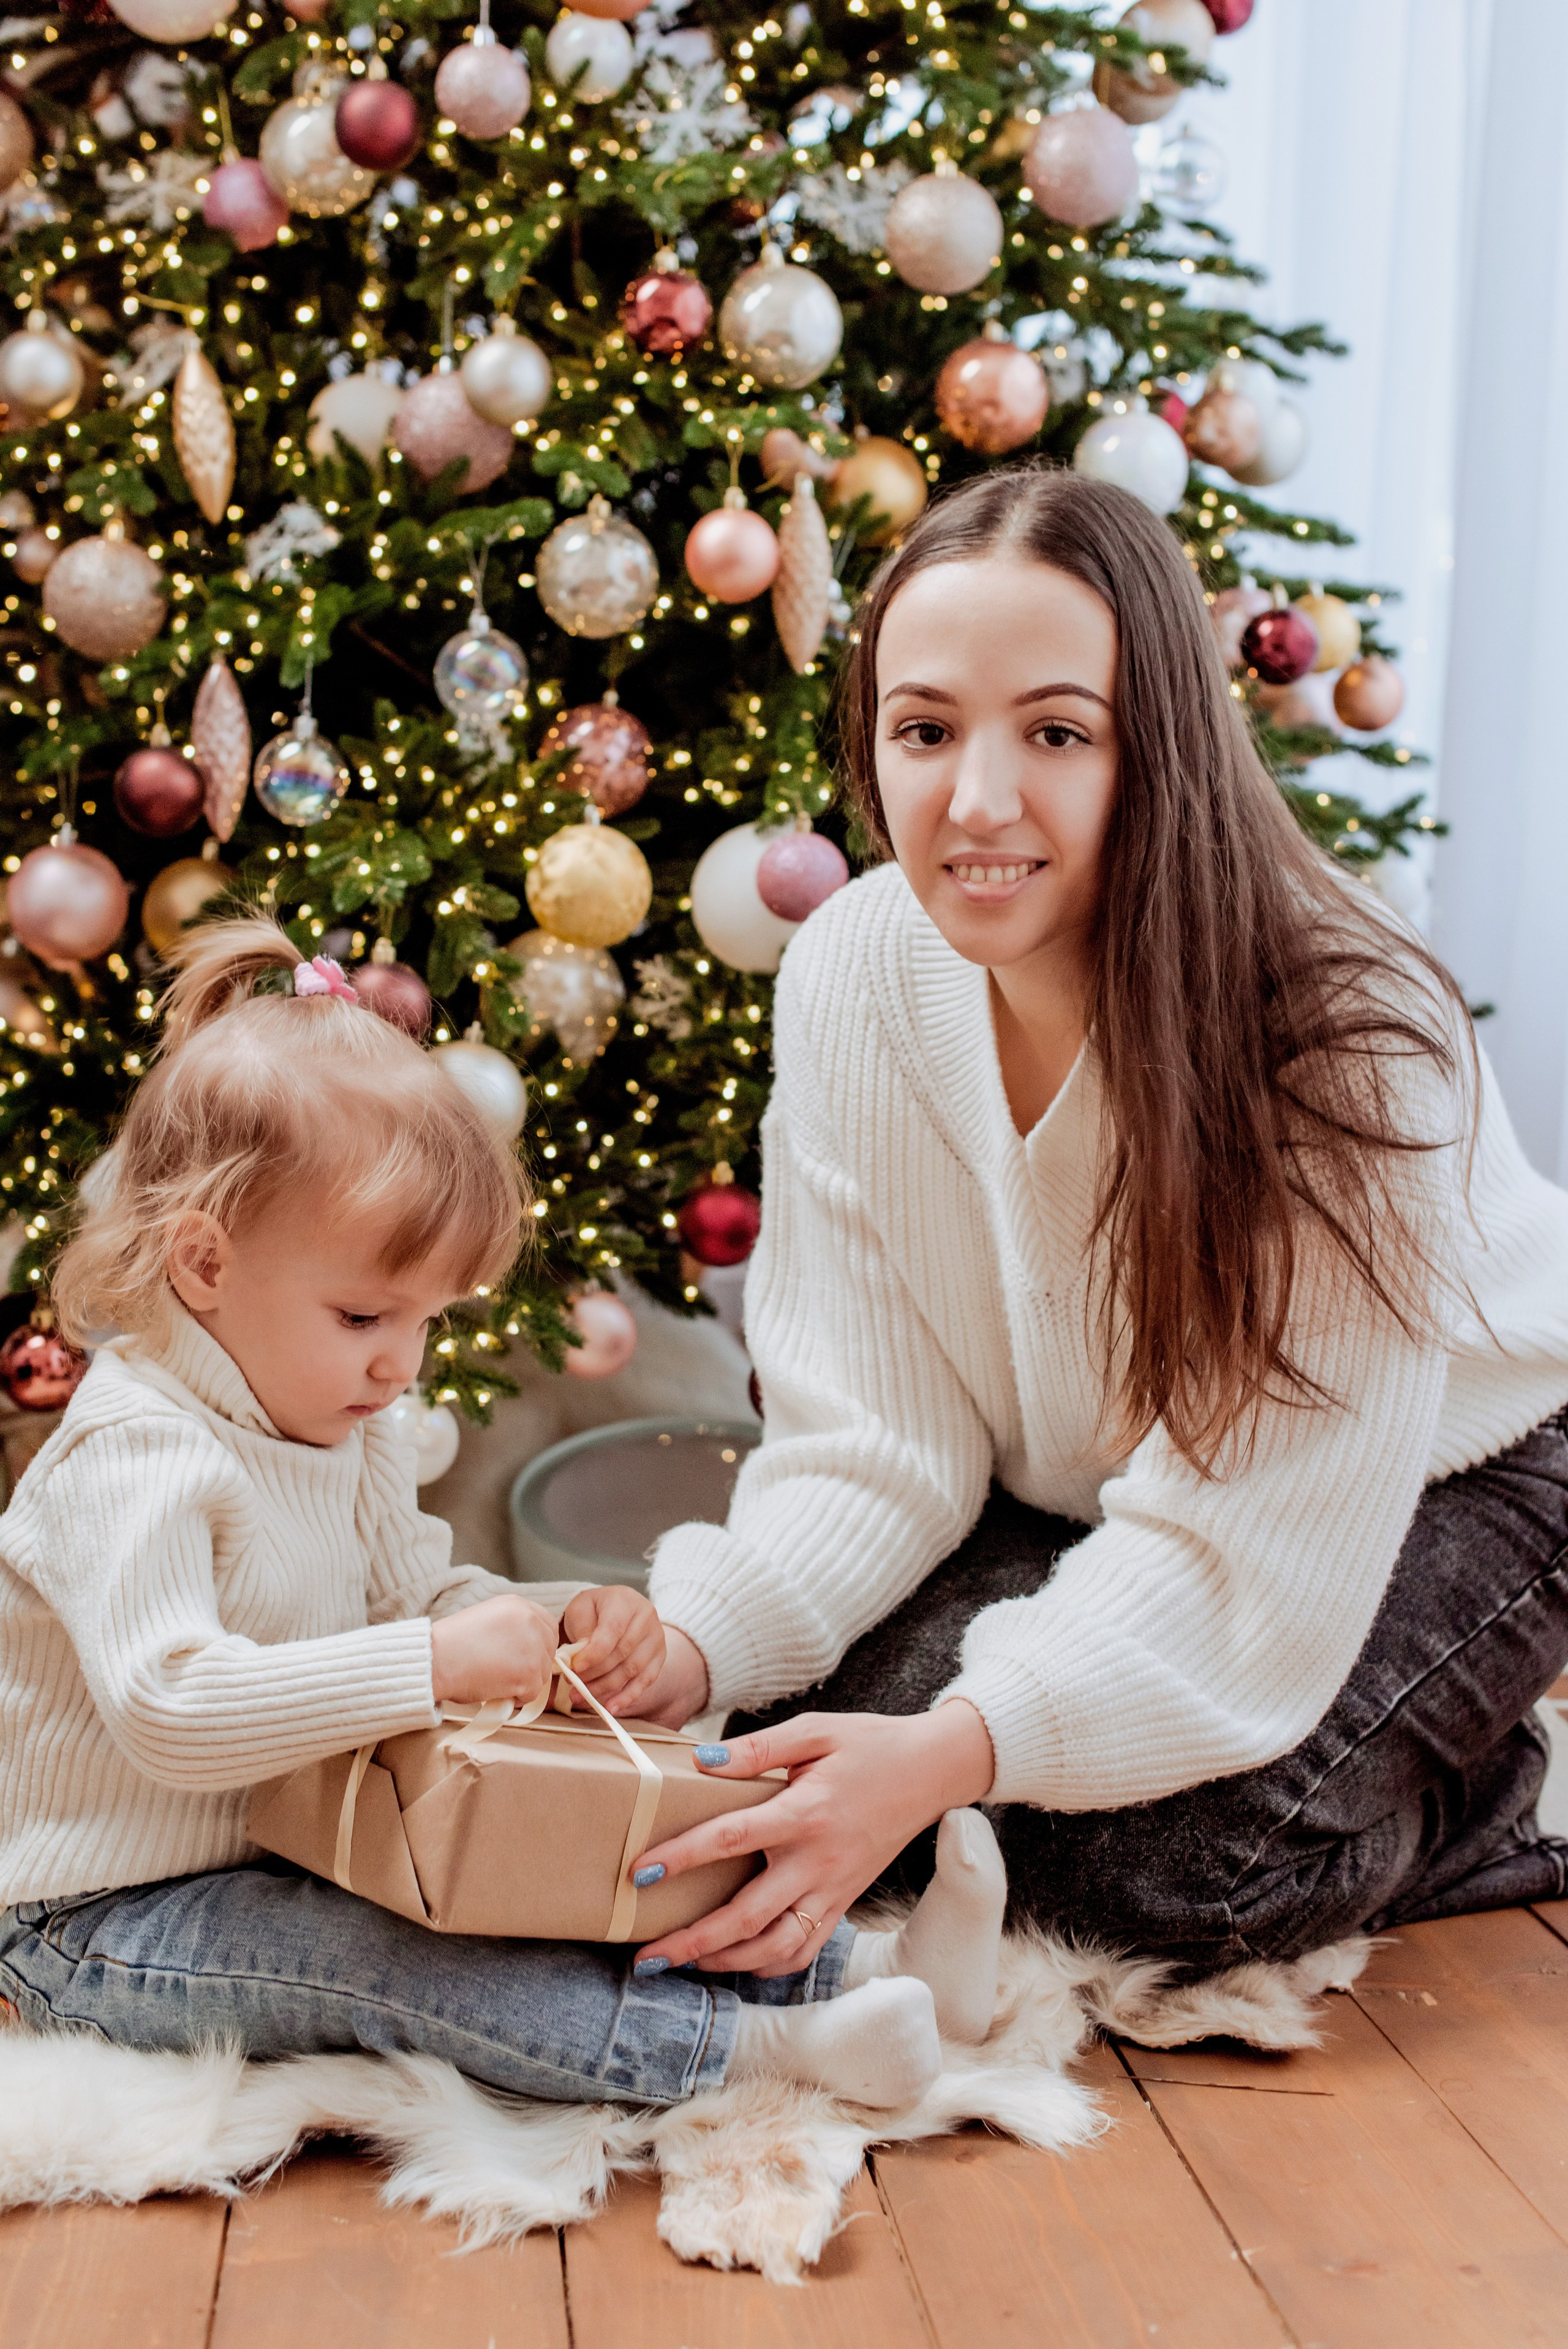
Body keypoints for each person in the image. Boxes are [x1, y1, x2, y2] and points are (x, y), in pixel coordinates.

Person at [627, 467, 1568, 1988]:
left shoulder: (1342, 1031)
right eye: (924, 730)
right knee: (790, 1743)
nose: (975, 802)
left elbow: (1248, 1530)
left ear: (1160, 746)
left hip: (1468, 1459)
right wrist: (695, 1646)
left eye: (1056, 733)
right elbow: (872, 1441)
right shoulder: (853, 969)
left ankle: (1477, 1788)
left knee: (1156, 1872)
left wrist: (957, 1742)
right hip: (1123, 1481)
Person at [0, 920, 1009, 2106]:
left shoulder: (341, 1425)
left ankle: (867, 1969)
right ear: (204, 1263)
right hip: (97, 1919)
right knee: (393, 1960)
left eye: (425, 1320)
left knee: (533, 1861)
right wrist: (435, 1664)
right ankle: (749, 2055)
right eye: (363, 1317)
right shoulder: (134, 1457)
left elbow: (417, 1595)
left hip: (303, 1841)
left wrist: (555, 1628)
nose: (401, 1365)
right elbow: (169, 1708)